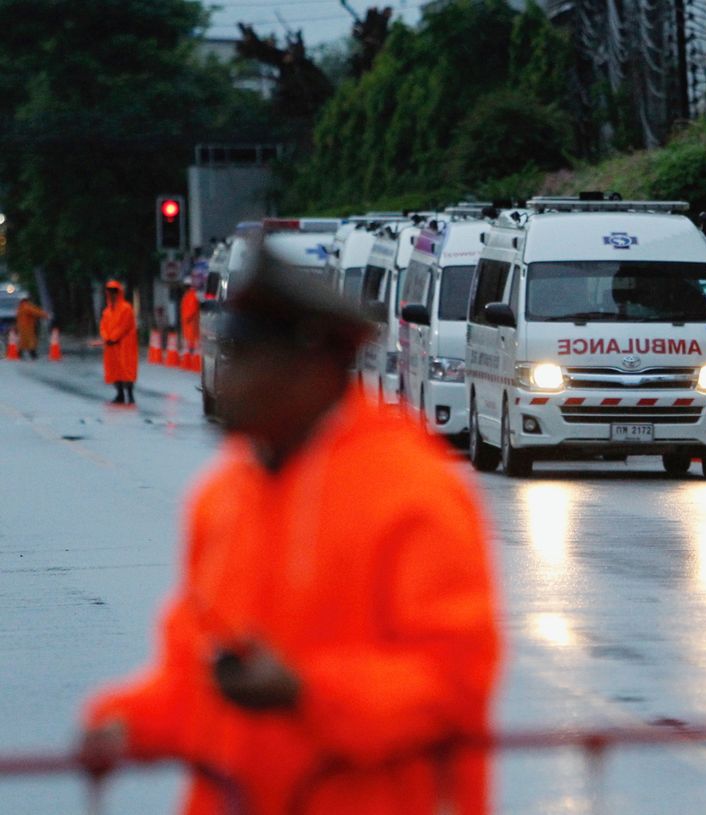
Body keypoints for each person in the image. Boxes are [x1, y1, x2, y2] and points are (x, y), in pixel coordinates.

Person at [79, 248, 501, 815]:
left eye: (244, 358)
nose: (225, 379)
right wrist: (125, 722)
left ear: (311, 368)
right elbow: (193, 679)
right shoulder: (224, 494)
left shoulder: (413, 491)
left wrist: (306, 693)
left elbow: (452, 684)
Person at [99, 280, 138, 405]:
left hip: (124, 344)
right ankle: (119, 393)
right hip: (111, 345)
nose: (112, 294)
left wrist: (113, 338)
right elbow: (103, 326)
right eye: (109, 291)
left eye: (114, 291)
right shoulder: (106, 311)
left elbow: (125, 326)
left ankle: (130, 395)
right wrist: (107, 337)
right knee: (114, 370)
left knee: (127, 369)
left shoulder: (126, 308)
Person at [15, 296, 48, 360]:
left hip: (22, 326)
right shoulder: (26, 306)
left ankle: (20, 353)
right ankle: (32, 354)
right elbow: (35, 312)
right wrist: (46, 315)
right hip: (28, 326)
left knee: (23, 341)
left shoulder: (20, 307)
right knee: (31, 340)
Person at [180, 278, 200, 362]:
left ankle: (191, 358)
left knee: (191, 339)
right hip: (188, 322)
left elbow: (192, 309)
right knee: (189, 339)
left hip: (190, 322)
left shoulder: (191, 295)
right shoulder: (189, 295)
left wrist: (187, 318)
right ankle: (189, 357)